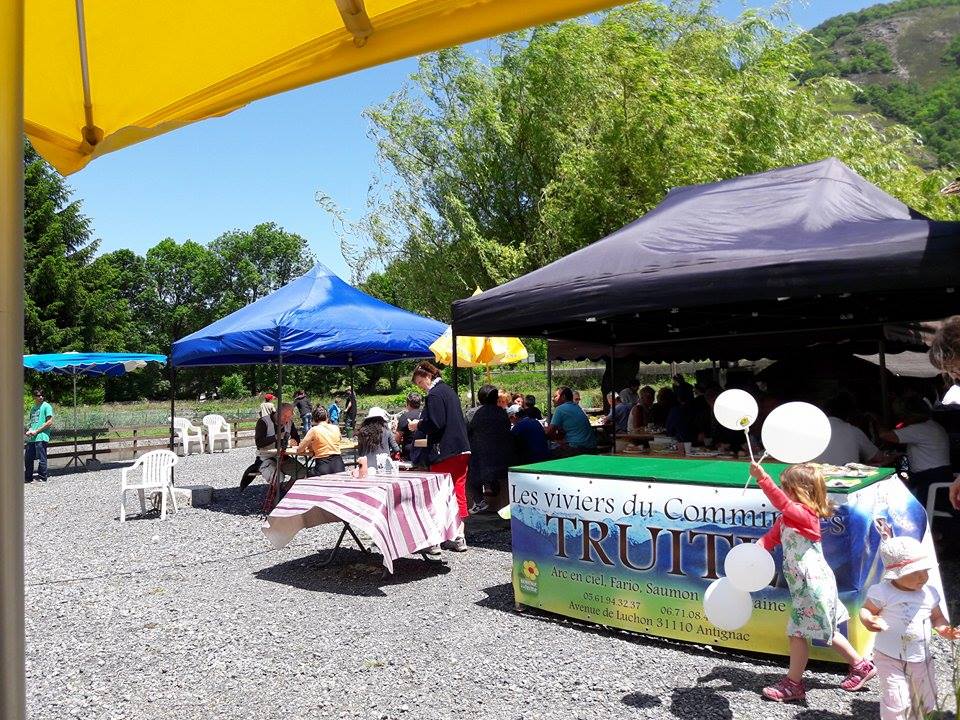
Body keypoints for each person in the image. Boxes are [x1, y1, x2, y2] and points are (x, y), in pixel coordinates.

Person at [748, 462, 875, 702]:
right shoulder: (789, 516)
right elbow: (773, 536)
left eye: (786, 488)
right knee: (826, 630)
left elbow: (782, 503)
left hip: (812, 584)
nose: (783, 492)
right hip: (806, 584)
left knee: (798, 633)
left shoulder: (805, 515)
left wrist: (763, 478)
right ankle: (861, 666)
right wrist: (759, 548)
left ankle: (793, 683)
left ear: (798, 491)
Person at [859, 533, 959, 720]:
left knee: (924, 700)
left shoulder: (929, 593)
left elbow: (937, 618)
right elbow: (866, 610)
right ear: (896, 573)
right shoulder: (883, 591)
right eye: (915, 572)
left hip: (921, 658)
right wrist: (868, 619)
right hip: (889, 657)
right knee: (896, 700)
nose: (923, 577)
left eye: (926, 571)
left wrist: (946, 630)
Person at [408, 361, 470, 553]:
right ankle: (459, 537)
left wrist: (418, 425)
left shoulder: (434, 395)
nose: (421, 387)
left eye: (420, 383)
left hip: (444, 452)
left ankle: (433, 541)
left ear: (428, 376)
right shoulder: (449, 391)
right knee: (458, 492)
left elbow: (435, 423)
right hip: (462, 449)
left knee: (438, 495)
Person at [880, 397, 952, 506]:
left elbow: (885, 436)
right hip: (941, 475)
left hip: (929, 479)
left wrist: (876, 420)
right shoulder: (933, 426)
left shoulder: (919, 428)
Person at [466, 385, 513, 514]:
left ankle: (479, 502)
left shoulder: (473, 413)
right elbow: (507, 429)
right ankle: (499, 501)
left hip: (479, 456)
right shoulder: (502, 412)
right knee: (494, 475)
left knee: (471, 474)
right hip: (501, 455)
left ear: (480, 398)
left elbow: (466, 431)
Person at [816, 393, 886, 466]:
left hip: (815, 476)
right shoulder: (853, 431)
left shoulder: (813, 430)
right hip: (848, 475)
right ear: (849, 414)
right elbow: (878, 457)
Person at [254, 403, 306, 490]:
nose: (286, 419)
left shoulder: (289, 422)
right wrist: (276, 437)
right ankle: (275, 498)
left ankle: (286, 492)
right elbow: (259, 443)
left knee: (303, 473)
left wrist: (293, 442)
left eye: (289, 417)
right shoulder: (263, 422)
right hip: (266, 458)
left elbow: (296, 439)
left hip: (283, 458)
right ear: (277, 413)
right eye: (284, 416)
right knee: (278, 479)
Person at [546, 386, 596, 457]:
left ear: (563, 397)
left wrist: (541, 432)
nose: (553, 399)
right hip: (591, 448)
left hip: (579, 449)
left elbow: (550, 432)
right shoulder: (577, 407)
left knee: (547, 456)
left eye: (556, 396)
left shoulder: (560, 409)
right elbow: (562, 434)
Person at [297, 406, 345, 476]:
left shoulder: (314, 430)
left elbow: (300, 449)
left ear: (314, 419)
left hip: (323, 465)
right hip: (339, 465)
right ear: (327, 417)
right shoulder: (335, 428)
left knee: (307, 475)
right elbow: (339, 439)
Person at [355, 406, 400, 472]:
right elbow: (396, 448)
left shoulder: (362, 432)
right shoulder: (386, 431)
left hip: (366, 467)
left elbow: (360, 452)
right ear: (382, 419)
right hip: (384, 466)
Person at [24, 388, 53, 483]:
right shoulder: (33, 408)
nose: (40, 397)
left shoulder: (46, 406)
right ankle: (28, 477)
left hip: (41, 436)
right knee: (28, 458)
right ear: (34, 397)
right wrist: (29, 430)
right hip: (32, 437)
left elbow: (49, 422)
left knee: (42, 458)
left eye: (42, 395)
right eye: (38, 395)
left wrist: (37, 431)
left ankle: (42, 477)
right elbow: (32, 423)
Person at [395, 392, 422, 460]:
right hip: (425, 451)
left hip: (410, 453)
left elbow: (397, 439)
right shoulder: (424, 415)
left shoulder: (405, 416)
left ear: (408, 403)